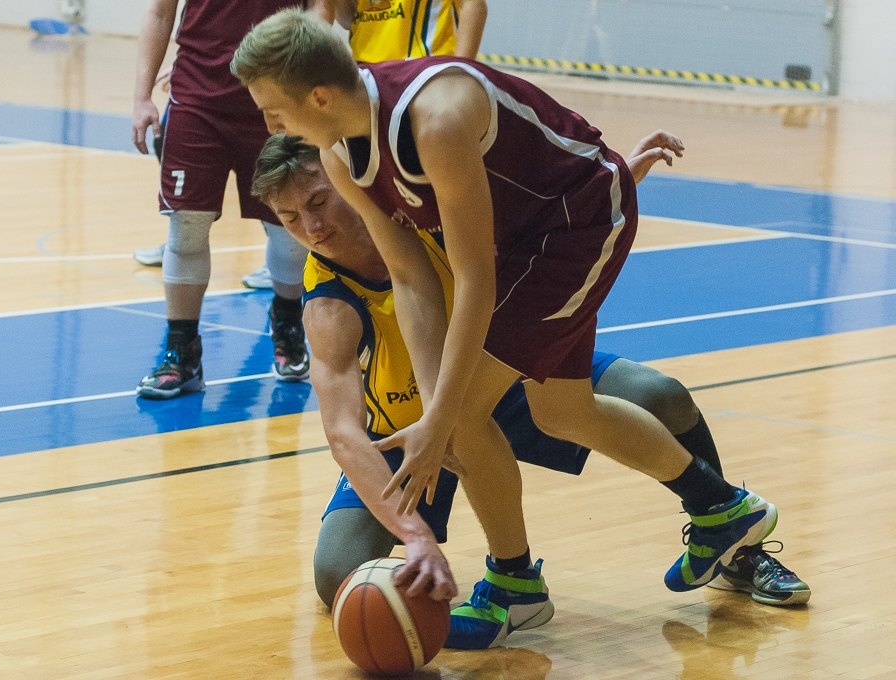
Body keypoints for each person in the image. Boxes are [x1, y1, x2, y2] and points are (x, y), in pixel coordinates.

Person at [231, 10, 785, 648]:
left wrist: (441, 414)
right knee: (559, 410)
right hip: (523, 244)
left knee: (464, 414)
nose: (270, 124)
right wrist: (438, 400)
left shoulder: (433, 118)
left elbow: (473, 279)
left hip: (573, 227)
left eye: (274, 109)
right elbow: (410, 276)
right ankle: (721, 507)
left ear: (320, 96)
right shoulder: (336, 154)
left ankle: (515, 586)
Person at [130, 0, 326, 397]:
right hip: (198, 97)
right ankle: (182, 352)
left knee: (288, 229)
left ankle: (287, 325)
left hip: (275, 98)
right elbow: (159, 12)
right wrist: (142, 96)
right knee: (186, 225)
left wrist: (304, 82)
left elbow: (321, 10)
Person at [309, 0, 487, 63]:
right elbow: (349, 20)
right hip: (365, 71)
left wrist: (463, 67)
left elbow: (474, 5)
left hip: (424, 67)